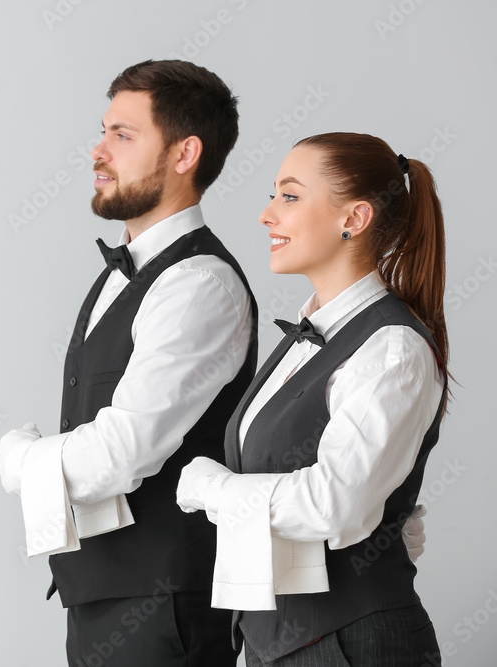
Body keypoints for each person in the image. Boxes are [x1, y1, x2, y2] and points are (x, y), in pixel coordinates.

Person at [0, 59, 254, 665]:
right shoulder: (127, 273)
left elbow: (121, 453)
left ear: (184, 154)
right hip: (107, 599)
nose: (98, 151)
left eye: (123, 135)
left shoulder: (198, 284)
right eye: (104, 130)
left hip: (162, 609)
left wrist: (21, 461)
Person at [176, 132, 450, 666]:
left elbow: (336, 506)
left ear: (355, 217)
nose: (266, 214)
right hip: (278, 645)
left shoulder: (391, 348)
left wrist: (218, 490)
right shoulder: (309, 333)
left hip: (352, 645)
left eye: (290, 196)